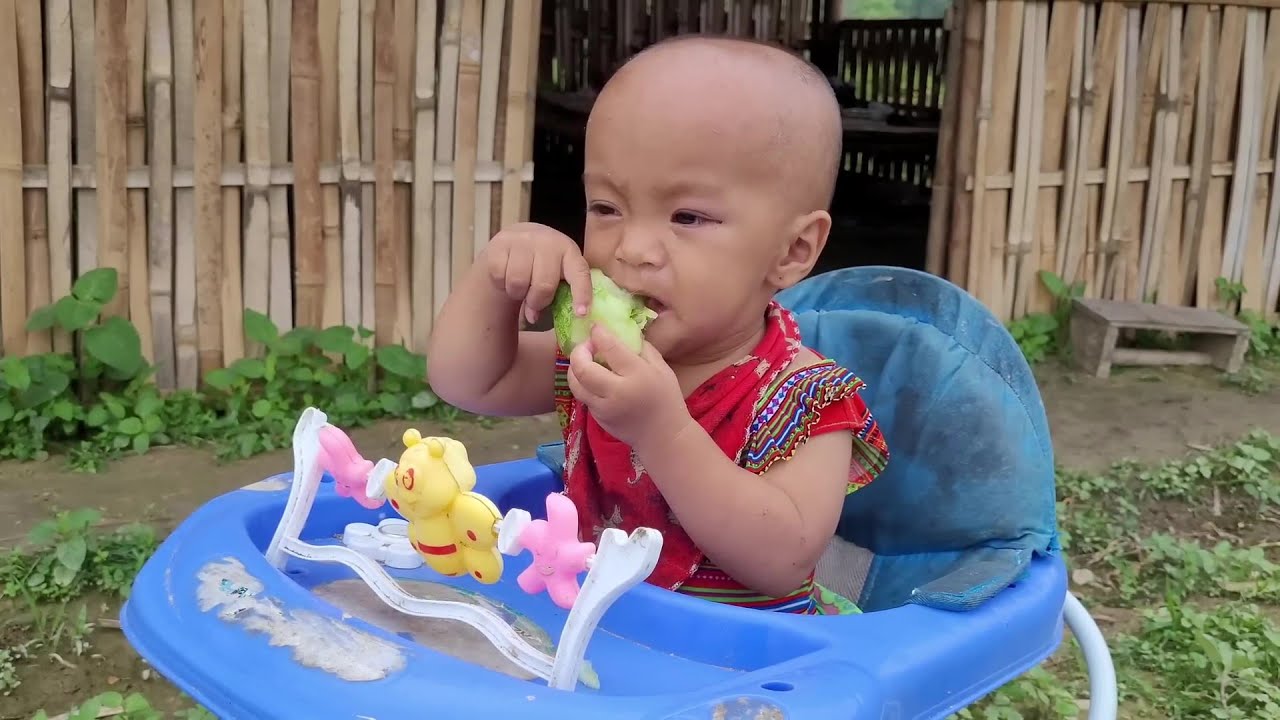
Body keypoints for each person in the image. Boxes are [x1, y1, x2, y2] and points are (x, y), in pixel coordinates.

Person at [428, 35, 889, 615]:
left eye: (688, 216)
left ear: (793, 250)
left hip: (736, 667)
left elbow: (783, 560)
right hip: (595, 633)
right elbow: (468, 382)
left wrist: (664, 433)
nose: (633, 248)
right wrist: (494, 280)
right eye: (607, 208)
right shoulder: (596, 357)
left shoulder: (805, 400)